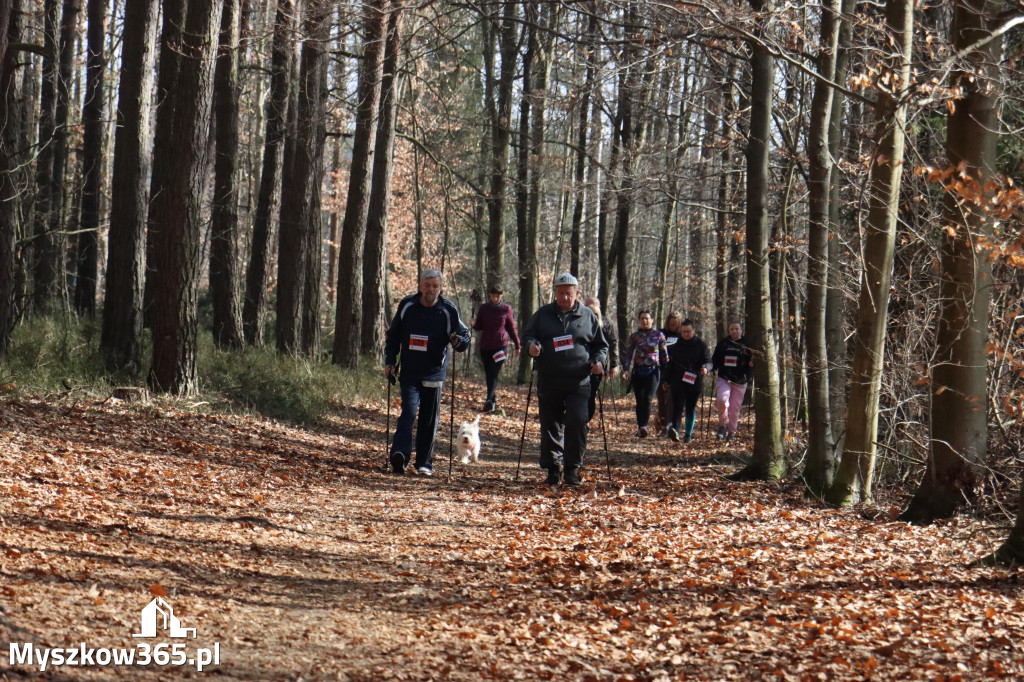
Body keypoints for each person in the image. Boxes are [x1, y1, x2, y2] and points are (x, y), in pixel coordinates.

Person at [523, 273, 608, 486]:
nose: (564, 297)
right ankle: (553, 469)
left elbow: (601, 346)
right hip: (549, 379)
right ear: (555, 293)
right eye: (560, 293)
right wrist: (531, 347)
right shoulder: (543, 315)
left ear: (576, 293)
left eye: (568, 293)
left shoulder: (588, 316)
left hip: (579, 381)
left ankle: (572, 468)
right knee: (550, 424)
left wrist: (599, 361)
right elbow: (528, 336)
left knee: (577, 421)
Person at [384, 269, 471, 476]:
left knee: (428, 419)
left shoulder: (448, 309)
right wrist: (390, 361)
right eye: (427, 285)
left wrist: (458, 341)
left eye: (435, 286)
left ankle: (424, 463)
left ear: (440, 288)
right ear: (420, 286)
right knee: (409, 412)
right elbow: (394, 335)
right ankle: (400, 455)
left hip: (434, 373)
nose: (430, 289)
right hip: (410, 371)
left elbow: (464, 335)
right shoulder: (408, 305)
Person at [470, 284, 520, 412]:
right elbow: (479, 326)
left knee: (493, 373)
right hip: (485, 347)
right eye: (493, 296)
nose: (495, 298)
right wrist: (473, 324)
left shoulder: (506, 309)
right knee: (489, 375)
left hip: (500, 347)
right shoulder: (484, 308)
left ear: (501, 296)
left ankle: (488, 399)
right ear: (490, 296)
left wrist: (517, 345)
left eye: (498, 296)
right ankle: (492, 403)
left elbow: (511, 329)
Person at [621, 311, 668, 438]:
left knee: (647, 398)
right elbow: (629, 354)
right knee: (639, 399)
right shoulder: (634, 336)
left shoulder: (659, 335)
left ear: (652, 320)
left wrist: (666, 375)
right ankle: (641, 426)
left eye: (647, 318)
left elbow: (664, 356)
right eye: (642, 318)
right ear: (638, 320)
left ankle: (645, 425)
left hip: (653, 371)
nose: (644, 321)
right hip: (638, 371)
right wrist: (625, 369)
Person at [664, 319, 712, 443]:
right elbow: (670, 365)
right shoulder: (675, 346)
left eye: (688, 331)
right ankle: (675, 431)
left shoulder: (701, 345)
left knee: (690, 407)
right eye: (683, 332)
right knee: (678, 406)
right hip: (677, 381)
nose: (685, 334)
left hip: (694, 381)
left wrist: (706, 368)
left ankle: (688, 435)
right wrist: (666, 381)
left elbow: (708, 361)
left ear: (693, 331)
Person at [712, 320, 753, 441]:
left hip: (740, 380)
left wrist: (751, 363)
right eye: (732, 329)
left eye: (736, 329)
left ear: (741, 330)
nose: (734, 331)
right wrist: (713, 369)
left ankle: (732, 431)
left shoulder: (746, 344)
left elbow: (751, 359)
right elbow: (715, 359)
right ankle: (722, 426)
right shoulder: (723, 343)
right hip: (724, 378)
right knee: (722, 400)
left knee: (735, 407)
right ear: (729, 331)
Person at [583, 297, 618, 422]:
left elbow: (612, 343)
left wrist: (614, 365)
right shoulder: (579, 320)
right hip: (580, 363)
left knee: (590, 393)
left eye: (594, 306)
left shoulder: (606, 323)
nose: (591, 309)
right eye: (588, 306)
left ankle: (585, 421)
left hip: (597, 364)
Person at [656, 311, 684, 435]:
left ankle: (670, 425)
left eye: (676, 324)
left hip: (676, 372)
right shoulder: (661, 334)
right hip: (661, 370)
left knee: (672, 399)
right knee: (661, 399)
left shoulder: (682, 335)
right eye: (671, 324)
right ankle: (662, 424)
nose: (673, 326)